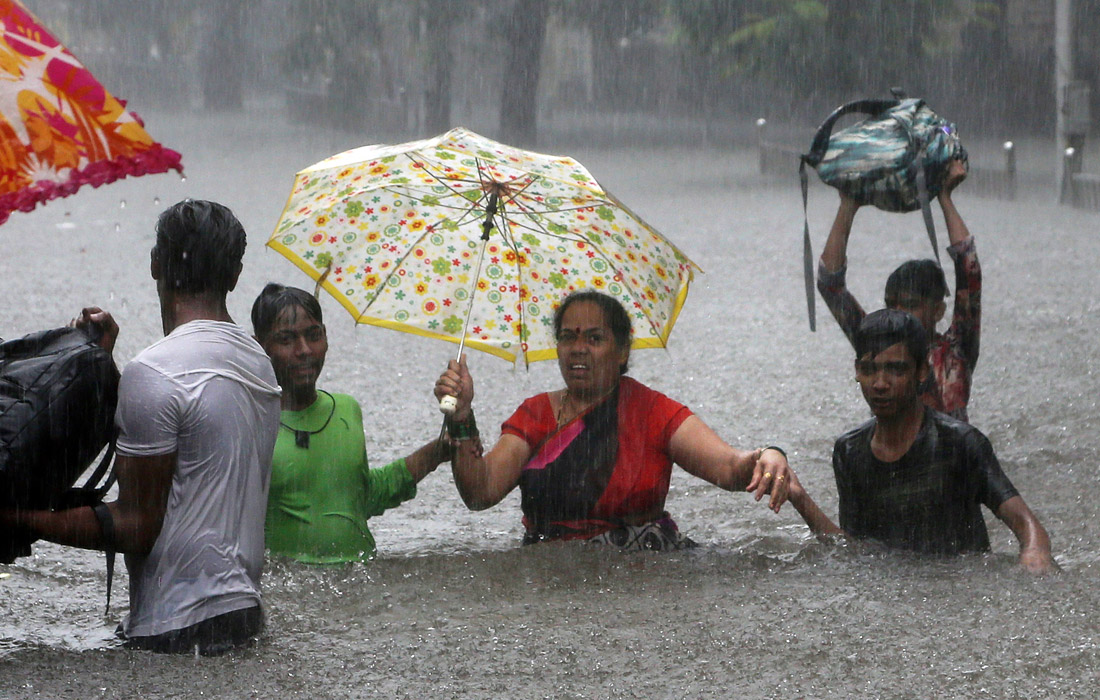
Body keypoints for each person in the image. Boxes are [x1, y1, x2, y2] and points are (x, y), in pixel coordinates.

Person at [2, 200, 282, 654]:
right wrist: (103, 369)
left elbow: (135, 525)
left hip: (176, 629)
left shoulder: (155, 372)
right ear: (235, 276)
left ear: (155, 263)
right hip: (243, 616)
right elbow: (195, 456)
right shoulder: (260, 365)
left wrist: (14, 517)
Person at [433, 290, 800, 550]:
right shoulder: (536, 414)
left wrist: (768, 455)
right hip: (551, 575)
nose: (578, 349)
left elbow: (729, 469)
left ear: (623, 350)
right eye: (568, 337)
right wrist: (462, 417)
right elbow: (480, 493)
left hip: (645, 570)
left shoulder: (652, 411)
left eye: (595, 338)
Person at [789, 309, 1055, 574]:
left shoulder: (960, 443)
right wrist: (799, 498)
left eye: (896, 369)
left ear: (921, 371)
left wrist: (1035, 553)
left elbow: (1025, 522)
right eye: (870, 370)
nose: (880, 384)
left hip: (964, 587)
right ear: (857, 371)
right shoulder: (849, 451)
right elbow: (854, 551)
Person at [251, 283, 447, 564]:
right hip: (289, 589)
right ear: (259, 346)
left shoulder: (346, 410)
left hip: (359, 585)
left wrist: (435, 453)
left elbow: (360, 496)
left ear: (326, 338)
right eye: (286, 340)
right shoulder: (250, 422)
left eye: (313, 335)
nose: (304, 350)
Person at [817, 159, 979, 421]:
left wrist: (944, 197)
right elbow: (830, 285)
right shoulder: (875, 340)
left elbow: (969, 271)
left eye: (911, 304)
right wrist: (848, 204)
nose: (899, 313)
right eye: (892, 304)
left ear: (938, 310)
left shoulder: (956, 350)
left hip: (948, 458)